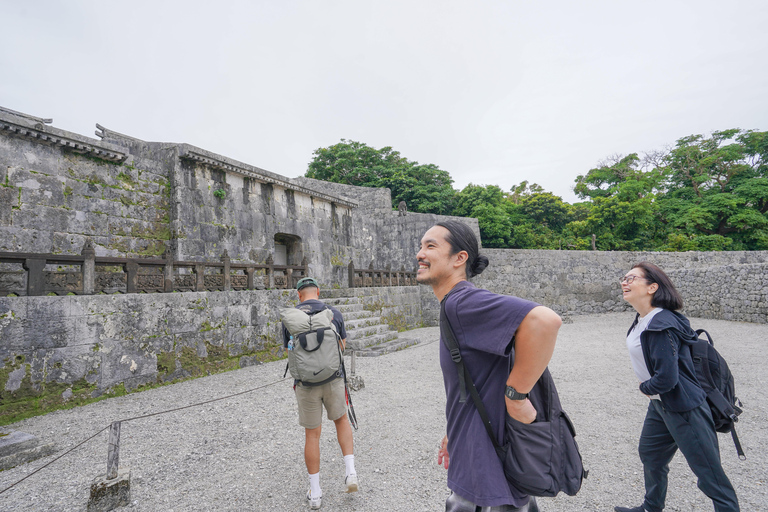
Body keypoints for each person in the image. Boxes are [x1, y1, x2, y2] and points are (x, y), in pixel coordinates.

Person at [416, 221, 562, 512]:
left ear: (460, 258)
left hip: (487, 466)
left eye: (430, 246)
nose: (420, 253)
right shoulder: (455, 306)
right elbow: (478, 376)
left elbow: (545, 321)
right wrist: (455, 431)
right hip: (483, 451)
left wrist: (517, 397)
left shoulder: (461, 302)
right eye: (421, 246)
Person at [615, 262, 739, 512]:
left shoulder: (661, 323)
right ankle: (651, 507)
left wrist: (645, 387)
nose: (624, 282)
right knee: (651, 455)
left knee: (709, 472)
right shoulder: (643, 319)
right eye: (624, 278)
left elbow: (666, 379)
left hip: (684, 406)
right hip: (661, 405)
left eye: (631, 278)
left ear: (652, 287)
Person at [282, 277, 358, 510]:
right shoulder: (333, 313)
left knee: (312, 435)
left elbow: (289, 349)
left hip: (306, 385)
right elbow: (342, 346)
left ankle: (315, 493)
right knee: (341, 420)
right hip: (333, 379)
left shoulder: (291, 318)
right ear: (318, 291)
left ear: (299, 295)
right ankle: (351, 472)